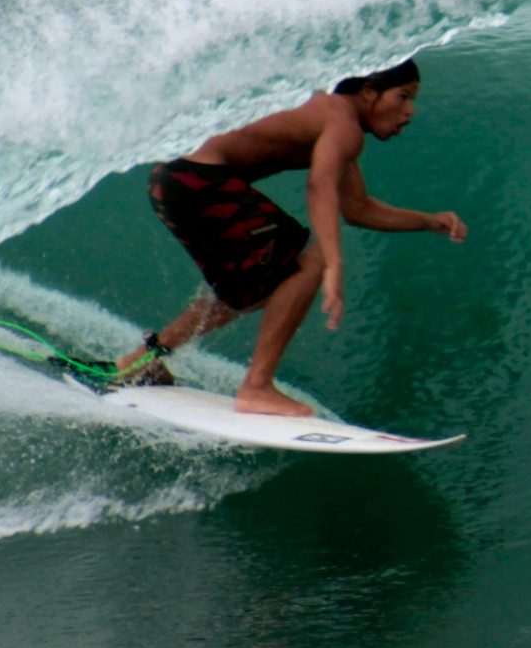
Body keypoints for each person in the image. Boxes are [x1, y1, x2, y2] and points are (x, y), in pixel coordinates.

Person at [118, 59, 468, 415]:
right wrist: (331, 263)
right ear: (368, 92)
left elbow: (357, 208)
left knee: (250, 290)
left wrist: (427, 221)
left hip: (171, 181)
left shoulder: (332, 123)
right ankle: (256, 387)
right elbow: (319, 188)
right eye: (403, 97)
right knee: (308, 261)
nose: (409, 112)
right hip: (196, 179)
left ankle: (144, 359)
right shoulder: (341, 121)